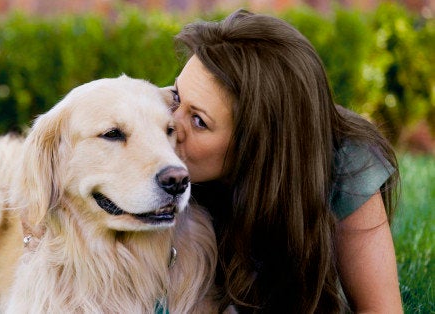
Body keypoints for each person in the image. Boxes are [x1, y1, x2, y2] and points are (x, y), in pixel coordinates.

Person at [169, 9, 402, 313]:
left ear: (257, 143)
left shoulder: (344, 162)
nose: (171, 124)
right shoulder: (164, 160)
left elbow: (380, 309)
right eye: (176, 96)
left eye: (198, 121)